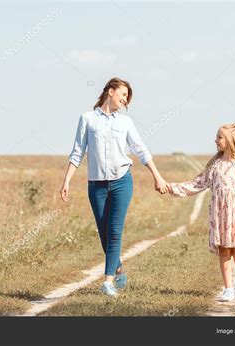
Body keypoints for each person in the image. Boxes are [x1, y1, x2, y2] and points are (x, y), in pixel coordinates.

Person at [60, 77, 168, 297]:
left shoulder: (125, 122)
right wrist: (67, 181)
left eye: (127, 97)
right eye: (123, 94)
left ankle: (107, 282)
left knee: (115, 231)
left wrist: (157, 176)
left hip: (122, 182)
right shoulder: (87, 119)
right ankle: (117, 268)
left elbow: (140, 149)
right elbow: (77, 152)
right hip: (96, 185)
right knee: (104, 233)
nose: (125, 99)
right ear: (110, 91)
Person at [167, 123, 235, 302]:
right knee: (224, 251)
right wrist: (172, 188)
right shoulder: (215, 165)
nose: (215, 140)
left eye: (219, 137)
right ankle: (228, 288)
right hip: (219, 217)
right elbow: (197, 184)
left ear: (231, 141)